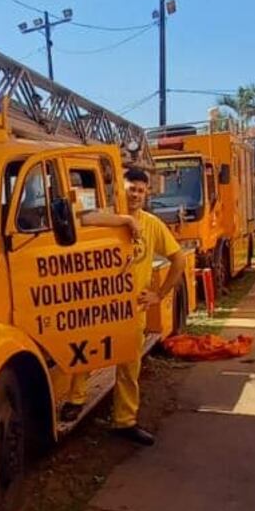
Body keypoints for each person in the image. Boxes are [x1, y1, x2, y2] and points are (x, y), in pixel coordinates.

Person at [80, 163, 185, 446]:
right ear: (120, 190)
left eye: (141, 190)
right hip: (101, 306)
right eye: (131, 189)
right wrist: (125, 221)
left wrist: (159, 294)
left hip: (133, 310)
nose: (137, 194)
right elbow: (83, 220)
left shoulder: (152, 224)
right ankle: (74, 402)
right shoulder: (108, 215)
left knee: (129, 367)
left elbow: (179, 260)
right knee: (85, 354)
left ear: (147, 193)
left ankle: (125, 422)